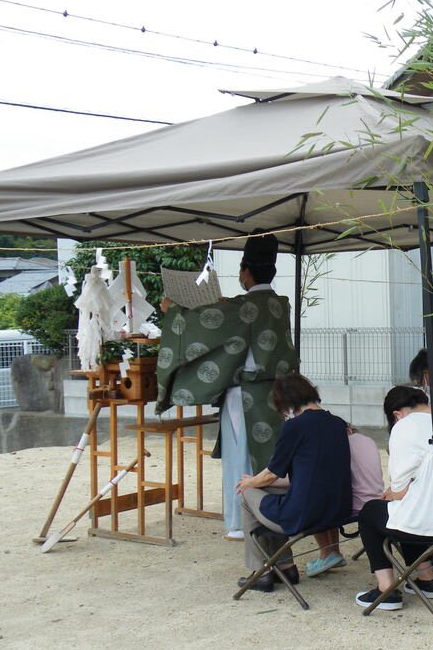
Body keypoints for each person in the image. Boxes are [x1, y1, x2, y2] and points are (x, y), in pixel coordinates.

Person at [157, 230, 298, 540]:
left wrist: (172, 311)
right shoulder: (279, 303)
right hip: (274, 393)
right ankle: (273, 513)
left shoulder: (244, 306)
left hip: (244, 395)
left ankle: (240, 521)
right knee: (271, 456)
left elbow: (200, 325)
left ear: (245, 272)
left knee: (241, 456)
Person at [354, 386, 433, 611]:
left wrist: (394, 492)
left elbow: (400, 486)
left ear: (396, 414)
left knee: (372, 512)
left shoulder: (405, 425)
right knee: (408, 508)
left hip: (432, 522)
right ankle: (426, 580)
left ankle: (386, 590)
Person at [234, 372, 352, 593]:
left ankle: (261, 571)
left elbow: (272, 473)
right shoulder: (337, 423)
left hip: (307, 514)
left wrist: (250, 483)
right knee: (264, 492)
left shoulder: (295, 426)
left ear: (284, 401)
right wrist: (258, 482)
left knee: (245, 495)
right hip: (336, 509)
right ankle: (286, 566)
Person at [305, 416, 384, 578]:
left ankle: (327, 552)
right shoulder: (367, 440)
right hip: (378, 498)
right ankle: (333, 551)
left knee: (315, 498)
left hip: (357, 506)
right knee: (330, 495)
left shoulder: (338, 445)